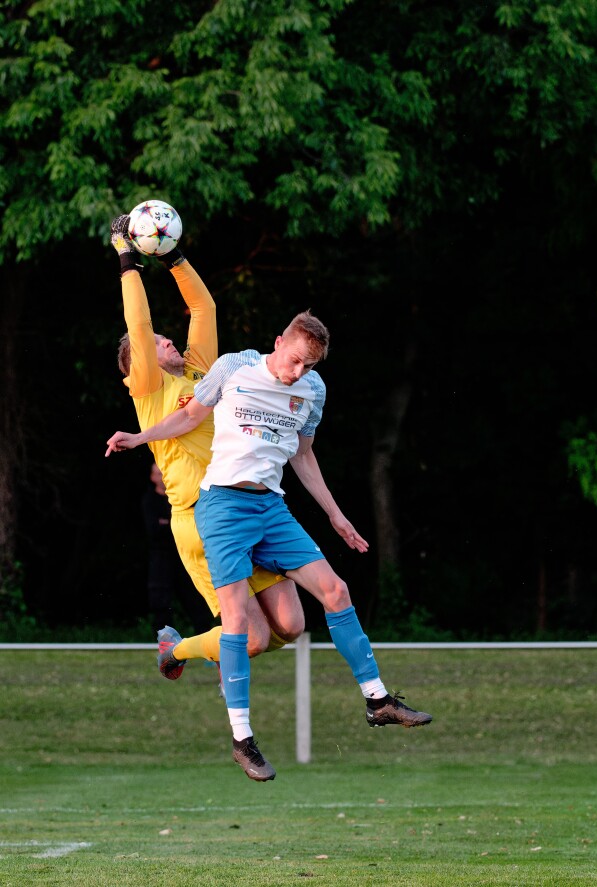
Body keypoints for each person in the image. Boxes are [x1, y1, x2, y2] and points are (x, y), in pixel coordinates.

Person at [105, 310, 432, 782]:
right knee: (240, 625)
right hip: (221, 508)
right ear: (278, 341)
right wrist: (139, 438)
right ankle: (242, 739)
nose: (298, 373)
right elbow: (189, 416)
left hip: (271, 509)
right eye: (295, 360)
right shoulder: (234, 366)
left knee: (333, 593)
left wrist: (336, 516)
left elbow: (303, 455)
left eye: (309, 366)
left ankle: (377, 700)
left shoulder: (312, 391)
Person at [109, 214, 305, 675]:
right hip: (198, 518)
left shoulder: (201, 371)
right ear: (139, 362)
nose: (166, 340)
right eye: (158, 343)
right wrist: (127, 259)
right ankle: (175, 652)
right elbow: (138, 324)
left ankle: (216, 648)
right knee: (253, 638)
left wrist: (173, 256)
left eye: (164, 338)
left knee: (290, 628)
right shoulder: (147, 388)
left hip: (241, 504)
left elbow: (204, 309)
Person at [141, 462, 213, 636]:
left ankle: (208, 646)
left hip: (186, 554)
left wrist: (166, 523)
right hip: (161, 558)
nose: (162, 476)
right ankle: (166, 647)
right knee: (161, 601)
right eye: (158, 473)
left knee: (197, 599)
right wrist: (173, 525)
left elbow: (196, 525)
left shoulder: (181, 497)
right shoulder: (149, 499)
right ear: (152, 477)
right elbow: (153, 530)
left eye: (164, 472)